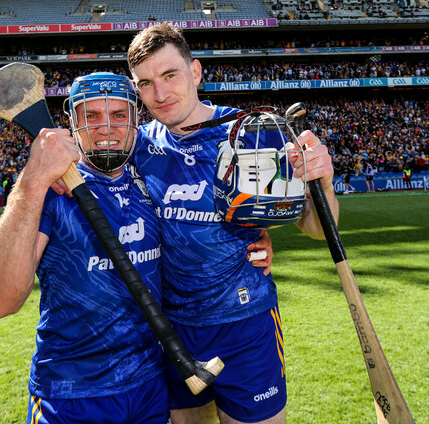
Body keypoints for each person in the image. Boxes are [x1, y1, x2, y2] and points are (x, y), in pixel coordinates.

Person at [127, 23, 338, 424]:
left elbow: (314, 227)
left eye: (170, 75)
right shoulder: (138, 146)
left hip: (245, 325)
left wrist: (322, 184)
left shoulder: (250, 135)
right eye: (146, 83)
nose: (160, 94)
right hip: (170, 330)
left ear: (195, 72)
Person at [0, 73, 170, 423]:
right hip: (70, 393)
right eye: (91, 116)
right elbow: (1, 301)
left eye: (118, 115)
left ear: (135, 120)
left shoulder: (155, 181)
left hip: (151, 386)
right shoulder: (50, 192)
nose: (106, 127)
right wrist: (33, 180)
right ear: (72, 123)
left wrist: (255, 240)